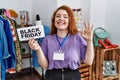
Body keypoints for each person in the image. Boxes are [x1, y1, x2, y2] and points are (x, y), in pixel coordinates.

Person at [28, 5, 94, 80]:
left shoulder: (77, 37)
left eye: (65, 17)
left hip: (73, 76)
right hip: (51, 76)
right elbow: (45, 65)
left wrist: (89, 41)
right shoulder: (47, 39)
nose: (61, 19)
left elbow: (89, 61)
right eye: (58, 16)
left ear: (70, 21)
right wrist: (38, 49)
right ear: (54, 21)